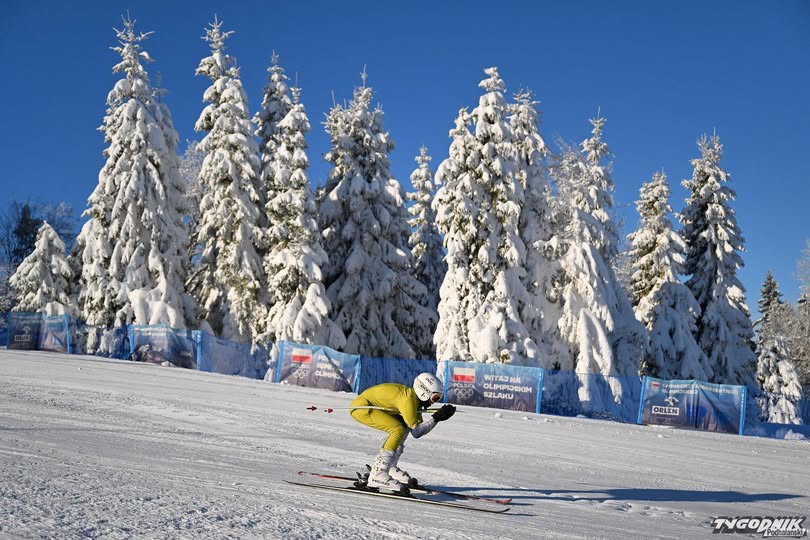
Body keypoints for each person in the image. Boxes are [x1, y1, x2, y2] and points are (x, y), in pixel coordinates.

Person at [349, 372, 456, 493]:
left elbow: (415, 431)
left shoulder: (414, 400)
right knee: (397, 429)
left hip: (366, 405)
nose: (434, 402)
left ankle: (389, 468)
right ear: (424, 392)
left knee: (404, 426)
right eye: (435, 398)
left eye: (439, 398)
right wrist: (437, 418)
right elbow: (418, 432)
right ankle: (378, 474)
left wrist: (437, 417)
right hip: (362, 408)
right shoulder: (408, 400)